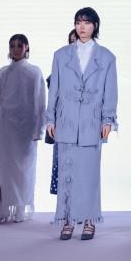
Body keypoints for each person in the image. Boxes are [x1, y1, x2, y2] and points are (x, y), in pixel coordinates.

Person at [44, 7, 117, 241]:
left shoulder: (107, 57)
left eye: (86, 22)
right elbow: (54, 90)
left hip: (91, 123)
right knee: (67, 174)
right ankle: (66, 220)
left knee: (89, 175)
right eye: (78, 22)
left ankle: (88, 220)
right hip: (66, 121)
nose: (82, 27)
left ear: (95, 26)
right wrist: (50, 118)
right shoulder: (60, 55)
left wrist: (108, 119)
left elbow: (110, 92)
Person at [0, 34, 45, 224]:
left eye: (19, 46)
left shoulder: (34, 72)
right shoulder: (3, 72)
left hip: (25, 130)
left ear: (27, 47)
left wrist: (38, 130)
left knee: (24, 171)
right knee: (4, 171)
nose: (15, 49)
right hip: (5, 127)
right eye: (12, 46)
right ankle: (2, 210)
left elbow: (40, 102)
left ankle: (20, 209)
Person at [47, 29, 78, 199]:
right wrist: (50, 121)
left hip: (84, 126)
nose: (75, 44)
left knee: (81, 169)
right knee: (62, 167)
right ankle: (64, 208)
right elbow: (52, 96)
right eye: (72, 41)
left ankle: (81, 208)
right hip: (63, 123)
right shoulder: (60, 63)